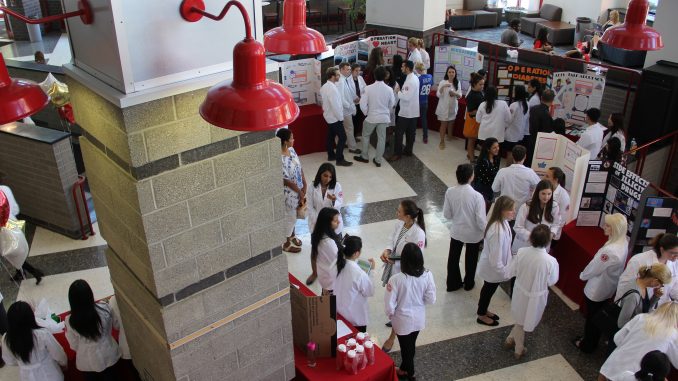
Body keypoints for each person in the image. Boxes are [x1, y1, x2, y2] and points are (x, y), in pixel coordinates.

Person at [573, 213, 629, 353]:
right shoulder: (623, 242)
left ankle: (587, 344)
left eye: (608, 225)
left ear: (615, 229)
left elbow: (594, 268)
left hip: (597, 289)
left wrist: (582, 275)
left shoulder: (609, 251)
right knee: (596, 316)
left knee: (592, 319)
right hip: (608, 286)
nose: (604, 227)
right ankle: (590, 340)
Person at [505, 225, 559, 359]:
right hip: (537, 296)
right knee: (523, 321)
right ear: (547, 241)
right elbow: (552, 281)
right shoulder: (551, 261)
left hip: (520, 291)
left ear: (531, 238)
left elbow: (511, 271)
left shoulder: (522, 252)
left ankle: (510, 338)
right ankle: (519, 348)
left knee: (520, 319)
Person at [384, 243, 436, 380]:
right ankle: (404, 369)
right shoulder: (428, 275)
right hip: (419, 318)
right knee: (410, 344)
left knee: (406, 348)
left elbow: (389, 306)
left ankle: (409, 372)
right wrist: (418, 303)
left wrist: (392, 315)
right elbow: (431, 299)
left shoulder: (396, 279)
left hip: (401, 320)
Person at [379, 200, 426, 352]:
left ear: (407, 216)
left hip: (405, 273)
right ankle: (393, 319)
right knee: (393, 297)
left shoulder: (418, 234)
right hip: (394, 267)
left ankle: (392, 338)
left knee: (400, 303)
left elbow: (416, 258)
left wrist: (396, 259)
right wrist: (387, 250)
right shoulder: (399, 224)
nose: (396, 213)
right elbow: (391, 239)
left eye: (399, 211)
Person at [599, 302, 678, 381]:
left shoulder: (641, 317)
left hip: (616, 363)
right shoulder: (673, 335)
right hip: (639, 373)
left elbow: (617, 338)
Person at [443, 164, 487, 291]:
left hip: (456, 231)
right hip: (473, 234)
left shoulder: (450, 191)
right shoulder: (477, 196)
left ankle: (452, 283)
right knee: (471, 259)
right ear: (471, 177)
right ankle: (468, 283)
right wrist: (486, 231)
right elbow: (480, 220)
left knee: (453, 258)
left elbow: (447, 214)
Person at [65, 280, 120, 380]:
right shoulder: (105, 308)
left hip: (86, 361)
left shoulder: (69, 320)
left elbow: (73, 345)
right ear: (90, 295)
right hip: (108, 354)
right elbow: (116, 326)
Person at [1, 301, 67, 380]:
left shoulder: (6, 339)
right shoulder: (41, 334)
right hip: (49, 373)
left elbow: (10, 361)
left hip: (26, 375)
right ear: (30, 318)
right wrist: (64, 363)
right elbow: (58, 353)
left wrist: (24, 363)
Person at [476, 196, 515, 326]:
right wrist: (504, 272)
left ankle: (483, 309)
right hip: (493, 269)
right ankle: (481, 314)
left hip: (495, 268)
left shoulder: (502, 222)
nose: (513, 212)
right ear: (502, 210)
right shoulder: (497, 231)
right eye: (511, 210)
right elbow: (495, 259)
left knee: (488, 290)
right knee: (488, 290)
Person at [0, 181, 44, 284]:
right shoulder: (5, 188)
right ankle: (21, 271)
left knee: (11, 252)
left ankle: (34, 272)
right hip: (14, 222)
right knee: (16, 250)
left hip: (5, 229)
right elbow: (15, 209)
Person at [616, 233, 678, 304]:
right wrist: (621, 306)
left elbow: (675, 289)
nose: (676, 257)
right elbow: (624, 286)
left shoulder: (676, 264)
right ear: (662, 249)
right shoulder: (639, 260)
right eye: (673, 253)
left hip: (660, 308)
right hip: (638, 306)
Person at [354, 66, 395, 168]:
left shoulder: (368, 89)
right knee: (381, 138)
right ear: (385, 76)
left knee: (366, 135)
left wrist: (367, 113)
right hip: (384, 117)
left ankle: (364, 156)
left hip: (371, 117)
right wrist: (387, 112)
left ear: (374, 75)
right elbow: (392, 104)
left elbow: (362, 104)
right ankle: (378, 160)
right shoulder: (389, 89)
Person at [334, 235, 375, 332]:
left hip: (338, 313)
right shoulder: (359, 274)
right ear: (357, 253)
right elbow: (369, 291)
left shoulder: (336, 264)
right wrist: (372, 271)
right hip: (355, 318)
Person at [616, 264, 671, 334]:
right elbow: (621, 323)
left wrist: (656, 296)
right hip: (624, 335)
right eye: (662, 284)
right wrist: (643, 326)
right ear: (655, 280)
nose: (660, 287)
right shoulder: (633, 296)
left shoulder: (641, 284)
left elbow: (645, 309)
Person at [512, 180, 562, 254]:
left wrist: (551, 234)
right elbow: (517, 227)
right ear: (537, 192)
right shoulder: (526, 207)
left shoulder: (554, 206)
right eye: (543, 194)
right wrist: (534, 237)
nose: (546, 197)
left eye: (549, 194)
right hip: (525, 244)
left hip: (543, 246)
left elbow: (556, 224)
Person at [277, 128, 307, 254]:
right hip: (289, 192)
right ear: (285, 142)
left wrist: (304, 184)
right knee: (290, 217)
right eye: (291, 138)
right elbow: (285, 180)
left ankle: (292, 235)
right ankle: (286, 242)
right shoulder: (279, 158)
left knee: (295, 214)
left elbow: (299, 167)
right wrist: (299, 192)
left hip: (299, 189)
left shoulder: (292, 150)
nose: (293, 140)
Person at [492, 145, 541, 212]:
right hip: (522, 210)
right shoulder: (530, 172)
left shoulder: (502, 171)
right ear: (525, 156)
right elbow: (539, 186)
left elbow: (495, 188)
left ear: (512, 156)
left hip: (505, 209)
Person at [320, 67, 353, 167]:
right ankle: (340, 159)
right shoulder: (332, 89)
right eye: (338, 75)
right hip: (335, 118)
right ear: (332, 76)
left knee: (330, 137)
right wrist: (340, 118)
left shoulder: (324, 86)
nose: (339, 76)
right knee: (343, 137)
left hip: (328, 116)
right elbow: (336, 106)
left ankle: (331, 155)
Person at [388, 60, 420, 162]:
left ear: (407, 68)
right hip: (413, 111)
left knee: (399, 133)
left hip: (406, 112)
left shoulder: (410, 80)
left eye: (403, 66)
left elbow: (406, 97)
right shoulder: (414, 77)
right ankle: (408, 150)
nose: (401, 68)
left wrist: (398, 92)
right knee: (410, 133)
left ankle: (397, 154)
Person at [308, 207, 342, 290]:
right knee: (331, 301)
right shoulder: (329, 243)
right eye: (335, 220)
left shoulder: (318, 234)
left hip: (324, 276)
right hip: (332, 281)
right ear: (327, 223)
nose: (339, 222)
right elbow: (340, 262)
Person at [306, 163, 343, 235]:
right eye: (325, 176)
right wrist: (319, 220)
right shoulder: (312, 186)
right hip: (316, 221)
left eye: (330, 177)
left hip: (332, 222)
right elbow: (309, 207)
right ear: (320, 174)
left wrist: (333, 201)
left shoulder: (337, 186)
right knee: (317, 244)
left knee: (336, 245)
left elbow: (339, 204)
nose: (327, 179)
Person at [435, 65, 462, 150]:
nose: (451, 74)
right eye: (449, 72)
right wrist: (442, 87)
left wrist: (455, 94)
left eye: (453, 72)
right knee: (444, 124)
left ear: (455, 73)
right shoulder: (443, 82)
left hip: (452, 107)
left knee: (451, 122)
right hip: (443, 107)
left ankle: (450, 136)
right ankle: (442, 140)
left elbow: (460, 96)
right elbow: (438, 95)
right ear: (447, 73)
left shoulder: (457, 83)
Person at [527, 89, 555, 166]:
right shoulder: (546, 115)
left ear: (541, 97)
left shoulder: (533, 109)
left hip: (531, 140)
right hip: (540, 145)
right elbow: (547, 132)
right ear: (552, 100)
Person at [337, 63, 361, 155]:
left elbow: (348, 92)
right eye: (347, 69)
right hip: (345, 109)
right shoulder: (340, 81)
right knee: (349, 128)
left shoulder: (344, 79)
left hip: (347, 108)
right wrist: (350, 106)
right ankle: (352, 147)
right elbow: (341, 97)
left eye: (350, 69)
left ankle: (345, 143)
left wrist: (354, 98)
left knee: (346, 128)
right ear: (341, 70)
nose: (349, 71)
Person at [464, 72, 486, 163]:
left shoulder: (479, 92)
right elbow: (471, 111)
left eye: (483, 84)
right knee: (471, 141)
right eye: (480, 84)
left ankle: (470, 154)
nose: (482, 86)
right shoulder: (471, 96)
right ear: (474, 84)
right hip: (472, 121)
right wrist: (482, 110)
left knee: (473, 140)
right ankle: (472, 159)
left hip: (477, 121)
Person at [473, 138, 501, 208]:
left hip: (491, 187)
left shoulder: (497, 158)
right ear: (488, 149)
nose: (497, 149)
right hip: (482, 188)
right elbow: (484, 178)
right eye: (494, 147)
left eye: (498, 146)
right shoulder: (483, 161)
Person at [544, 167, 570, 239]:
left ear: (555, 180)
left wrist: (552, 233)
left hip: (550, 233)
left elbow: (561, 219)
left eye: (547, 176)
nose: (544, 178)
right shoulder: (542, 187)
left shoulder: (564, 196)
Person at [506, 85, 529, 164]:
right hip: (520, 134)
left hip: (511, 134)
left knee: (510, 153)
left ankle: (508, 170)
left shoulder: (514, 105)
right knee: (516, 155)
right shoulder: (527, 104)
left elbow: (509, 119)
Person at [415, 62, 433, 144]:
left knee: (414, 119)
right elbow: (431, 87)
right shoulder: (430, 76)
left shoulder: (419, 79)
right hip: (425, 100)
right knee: (424, 119)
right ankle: (425, 137)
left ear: (418, 70)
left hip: (418, 101)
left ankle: (412, 135)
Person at [350, 64, 367, 138]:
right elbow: (348, 91)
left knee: (358, 120)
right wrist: (355, 97)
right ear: (352, 71)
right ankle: (352, 136)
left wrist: (361, 97)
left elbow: (365, 88)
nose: (358, 72)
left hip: (360, 102)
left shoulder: (360, 78)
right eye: (356, 70)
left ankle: (355, 134)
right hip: (352, 102)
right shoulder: (348, 80)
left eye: (359, 70)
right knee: (353, 121)